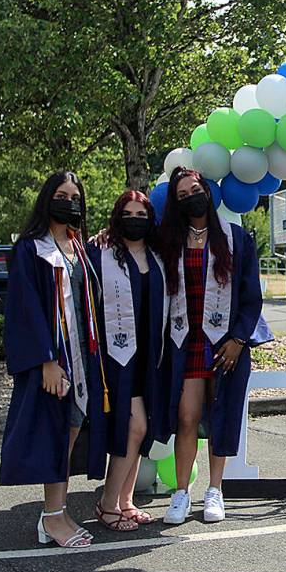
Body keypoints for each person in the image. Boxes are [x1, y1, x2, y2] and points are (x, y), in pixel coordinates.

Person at [0, 171, 108, 548]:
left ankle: (58, 512)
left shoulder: (79, 248)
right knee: (55, 434)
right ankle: (50, 517)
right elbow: (24, 309)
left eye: (75, 198)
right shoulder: (31, 249)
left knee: (72, 428)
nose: (69, 203)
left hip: (81, 355)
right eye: (62, 195)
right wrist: (46, 360)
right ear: (48, 199)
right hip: (55, 358)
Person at [157, 168, 264, 524]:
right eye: (183, 193)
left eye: (196, 189)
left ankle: (215, 491)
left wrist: (238, 340)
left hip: (224, 344)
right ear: (177, 201)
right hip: (184, 340)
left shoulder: (236, 239)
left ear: (208, 191)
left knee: (220, 415)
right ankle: (181, 493)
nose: (191, 197)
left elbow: (251, 297)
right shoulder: (170, 241)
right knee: (186, 417)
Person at [85, 191, 167, 531]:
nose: (135, 219)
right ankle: (107, 504)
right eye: (128, 213)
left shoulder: (157, 255)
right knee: (134, 427)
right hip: (117, 357)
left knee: (139, 431)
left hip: (150, 357)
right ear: (118, 218)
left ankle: (126, 501)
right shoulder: (101, 252)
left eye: (142, 214)